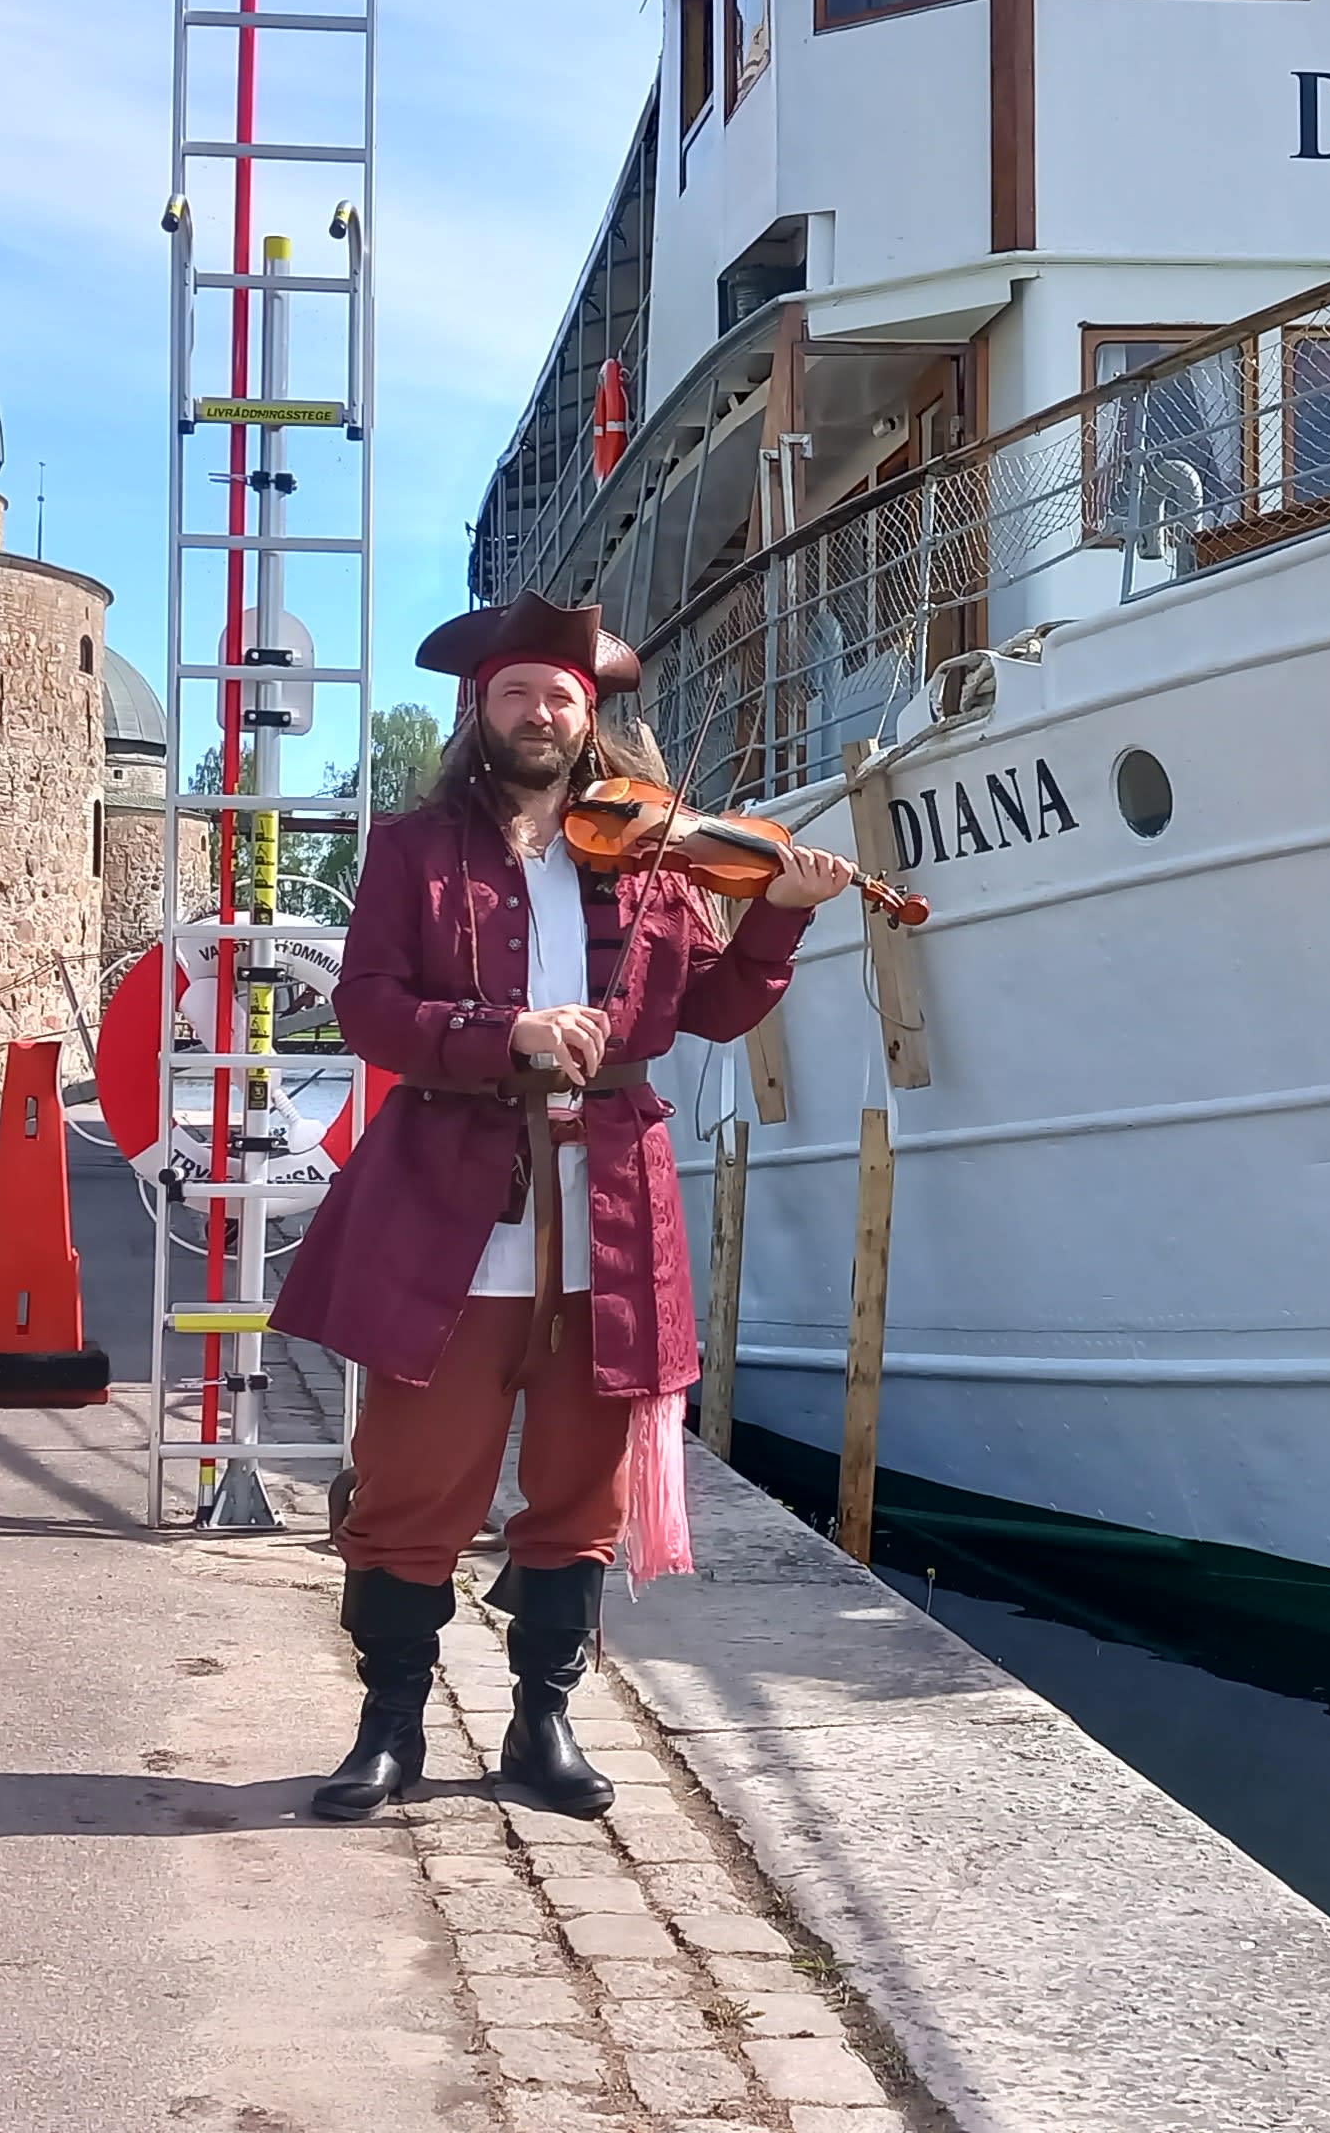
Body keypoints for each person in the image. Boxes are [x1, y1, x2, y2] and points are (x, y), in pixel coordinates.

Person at [271, 593, 852, 1823]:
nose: (539, 713)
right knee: (412, 1483)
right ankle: (390, 1728)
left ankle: (543, 1725)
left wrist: (781, 916)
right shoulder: (414, 849)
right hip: (451, 1206)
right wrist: (505, 1034)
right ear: (479, 711)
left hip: (612, 1213)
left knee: (584, 1489)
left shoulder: (655, 857)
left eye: (561, 697)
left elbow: (712, 1011)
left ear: (592, 720)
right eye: (517, 694)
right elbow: (368, 1008)